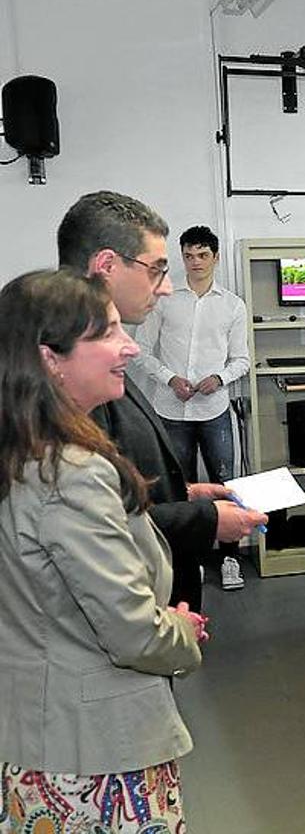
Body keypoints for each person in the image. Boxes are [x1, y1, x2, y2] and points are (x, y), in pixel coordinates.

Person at [0, 269, 206, 831]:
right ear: (51, 358)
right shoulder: (71, 474)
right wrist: (182, 632)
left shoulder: (22, 455)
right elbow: (132, 631)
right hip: (96, 756)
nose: (130, 346)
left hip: (42, 735)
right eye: (108, 333)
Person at [57, 191, 266, 609]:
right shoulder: (75, 378)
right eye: (157, 270)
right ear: (107, 266)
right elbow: (95, 524)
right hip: (122, 616)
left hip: (213, 408)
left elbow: (119, 490)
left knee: (212, 479)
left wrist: (184, 495)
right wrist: (205, 519)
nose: (167, 286)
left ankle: (222, 562)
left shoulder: (230, 306)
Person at [133, 225, 251, 590]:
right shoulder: (164, 299)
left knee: (224, 483)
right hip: (170, 411)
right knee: (175, 489)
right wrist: (170, 378)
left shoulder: (232, 305)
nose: (195, 262)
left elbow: (242, 359)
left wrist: (219, 378)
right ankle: (186, 562)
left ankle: (229, 556)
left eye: (202, 255)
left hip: (214, 410)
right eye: (188, 256)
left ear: (215, 258)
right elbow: (141, 351)